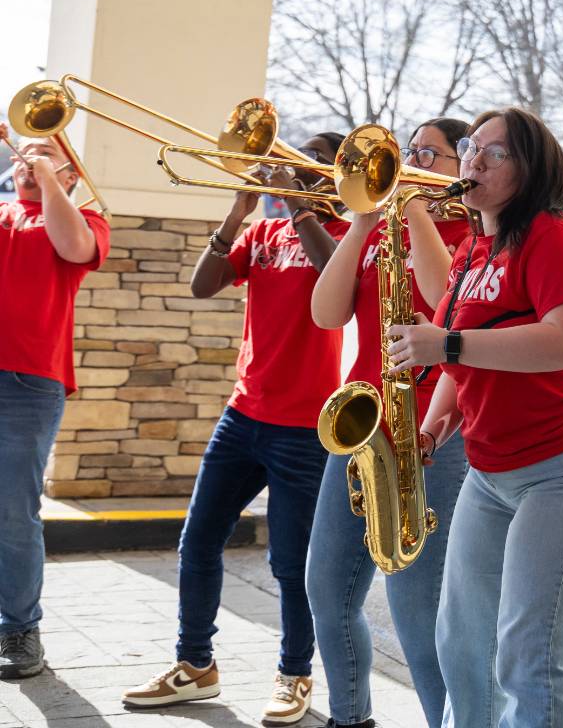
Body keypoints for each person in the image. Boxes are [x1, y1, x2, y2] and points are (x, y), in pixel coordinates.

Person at [387, 107, 563, 728]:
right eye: (470, 148)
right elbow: (466, 365)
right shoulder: (472, 253)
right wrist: (436, 426)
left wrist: (448, 346)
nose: (473, 161)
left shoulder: (553, 234)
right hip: (491, 471)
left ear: (532, 169)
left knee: (533, 655)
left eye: (496, 153)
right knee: (460, 638)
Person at [123, 133, 350, 727]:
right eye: (289, 166)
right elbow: (202, 285)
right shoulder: (264, 235)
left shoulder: (349, 240)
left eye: (306, 169)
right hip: (243, 415)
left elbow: (340, 288)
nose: (289, 176)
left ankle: (294, 675)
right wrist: (236, 213)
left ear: (334, 179)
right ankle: (194, 666)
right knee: (197, 543)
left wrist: (301, 206)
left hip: (305, 428)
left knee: (289, 563)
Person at [306, 118, 474, 728]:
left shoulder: (468, 234)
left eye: (430, 153)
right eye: (409, 152)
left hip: (432, 427)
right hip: (362, 421)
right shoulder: (379, 227)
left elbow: (446, 298)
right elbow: (327, 314)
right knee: (325, 588)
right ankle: (350, 718)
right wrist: (360, 221)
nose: (411, 161)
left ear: (461, 166)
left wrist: (410, 207)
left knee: (418, 609)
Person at [0, 125, 109, 680]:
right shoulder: (1, 212)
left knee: (13, 514)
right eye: (23, 153)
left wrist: (48, 182)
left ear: (71, 175)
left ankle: (19, 628)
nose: (27, 158)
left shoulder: (84, 219)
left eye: (44, 154)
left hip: (26, 384)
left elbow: (75, 248)